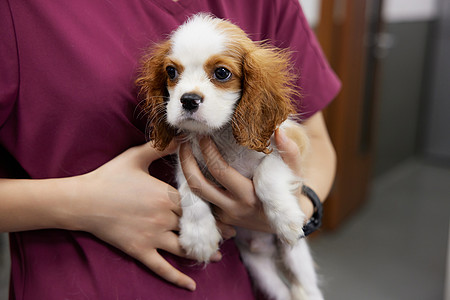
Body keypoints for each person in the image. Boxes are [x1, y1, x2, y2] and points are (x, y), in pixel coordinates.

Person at [0, 0, 340, 299]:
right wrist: (80, 203)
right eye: (173, 73)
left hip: (239, 279)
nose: (188, 91)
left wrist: (299, 205)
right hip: (78, 281)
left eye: (220, 73)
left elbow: (316, 139)